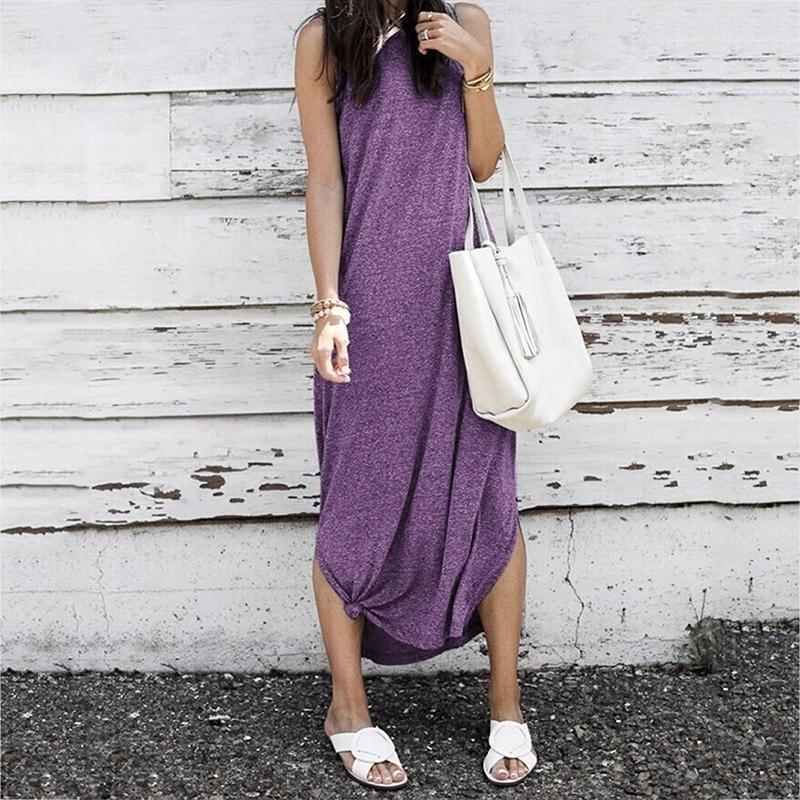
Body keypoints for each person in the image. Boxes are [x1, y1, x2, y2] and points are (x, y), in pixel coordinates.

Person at [292, 0, 538, 789]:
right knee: (357, 498)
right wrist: (329, 307)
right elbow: (325, 181)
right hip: (371, 300)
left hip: (464, 301)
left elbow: (484, 164)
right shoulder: (325, 40)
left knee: (487, 491)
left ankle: (507, 703)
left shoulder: (465, 23)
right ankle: (348, 707)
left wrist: (476, 68)